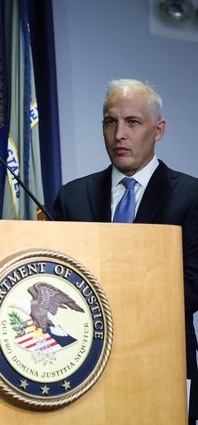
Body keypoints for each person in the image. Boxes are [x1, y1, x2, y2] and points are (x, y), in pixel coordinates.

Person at [52, 78, 198, 423]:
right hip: (79, 363)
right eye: (110, 121)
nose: (119, 134)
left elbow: (192, 282)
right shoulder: (72, 197)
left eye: (132, 122)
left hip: (162, 359)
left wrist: (109, 306)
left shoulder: (191, 197)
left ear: (158, 130)